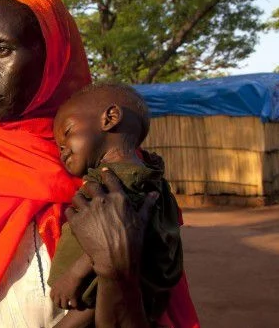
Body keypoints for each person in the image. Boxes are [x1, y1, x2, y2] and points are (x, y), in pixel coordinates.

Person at [0, 0, 199, 327]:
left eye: (2, 50)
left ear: (53, 56)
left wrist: (119, 273)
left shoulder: (114, 170)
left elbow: (150, 302)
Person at [48, 83, 184, 327]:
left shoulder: (117, 181)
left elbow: (113, 242)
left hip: (96, 294)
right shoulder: (148, 176)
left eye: (67, 132)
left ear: (110, 118)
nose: (62, 149)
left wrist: (74, 274)